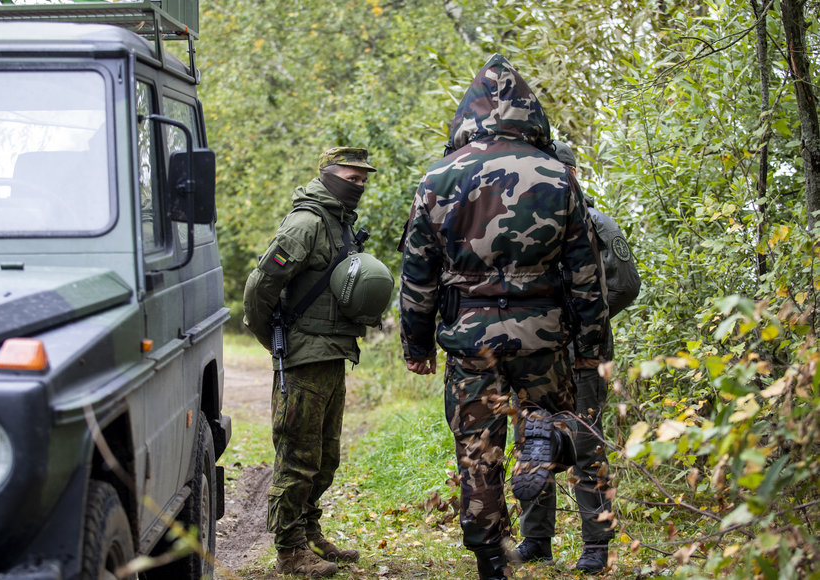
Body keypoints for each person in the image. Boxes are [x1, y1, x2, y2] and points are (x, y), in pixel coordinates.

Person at [399, 55, 608, 580]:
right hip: (543, 336)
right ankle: (546, 441)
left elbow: (417, 275)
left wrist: (417, 346)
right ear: (529, 113)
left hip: (471, 343)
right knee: (562, 421)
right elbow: (586, 273)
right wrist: (592, 349)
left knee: (478, 453)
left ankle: (491, 561)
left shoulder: (438, 178)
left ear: (467, 114)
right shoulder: (559, 177)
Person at [243, 146, 377, 578]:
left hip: (333, 353)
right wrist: (274, 341)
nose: (358, 185)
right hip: (304, 357)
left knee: (325, 456)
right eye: (351, 177)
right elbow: (260, 286)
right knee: (297, 455)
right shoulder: (306, 224)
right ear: (328, 174)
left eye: (363, 179)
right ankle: (289, 550)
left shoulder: (340, 224)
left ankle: (309, 530)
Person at [513, 140, 636, 575]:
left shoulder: (597, 225)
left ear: (572, 173)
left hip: (583, 356)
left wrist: (576, 323)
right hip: (537, 357)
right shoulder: (530, 225)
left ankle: (596, 545)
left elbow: (625, 287)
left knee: (586, 447)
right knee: (534, 444)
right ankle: (536, 540)